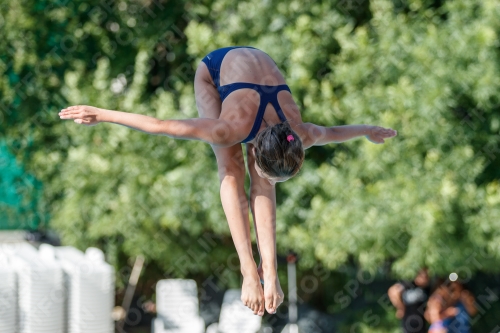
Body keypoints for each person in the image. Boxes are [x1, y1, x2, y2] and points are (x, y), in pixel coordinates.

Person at [59, 46, 397, 316]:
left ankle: (271, 271)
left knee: (263, 182)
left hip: (256, 73)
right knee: (231, 167)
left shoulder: (300, 134)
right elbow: (161, 124)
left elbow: (335, 133)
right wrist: (101, 114)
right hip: (216, 71)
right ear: (257, 148)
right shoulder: (228, 128)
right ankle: (249, 269)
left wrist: (369, 131)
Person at [388, 268, 431, 333]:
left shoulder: (427, 289)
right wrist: (401, 307)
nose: (425, 279)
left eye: (426, 276)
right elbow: (393, 291)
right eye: (423, 276)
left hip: (422, 325)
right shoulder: (408, 284)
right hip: (408, 324)